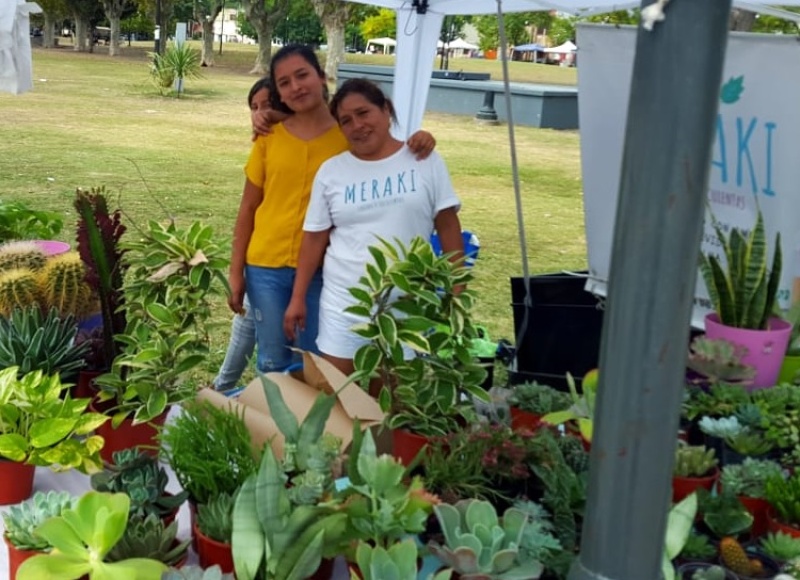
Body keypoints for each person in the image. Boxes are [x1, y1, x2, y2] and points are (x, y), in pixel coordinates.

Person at [229, 45, 435, 373]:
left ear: (321, 75)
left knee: (316, 363)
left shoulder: (350, 135)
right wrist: (235, 272)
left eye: (302, 75)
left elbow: (391, 153)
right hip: (264, 266)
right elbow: (248, 208)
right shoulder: (269, 137)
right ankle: (271, 410)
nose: (296, 87)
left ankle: (316, 411)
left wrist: (421, 138)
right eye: (284, 83)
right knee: (271, 360)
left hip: (323, 270)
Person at [283, 78, 465, 377]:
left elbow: (447, 226)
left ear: (386, 110)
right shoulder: (332, 172)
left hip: (406, 305)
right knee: (338, 394)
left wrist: (457, 291)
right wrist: (298, 297)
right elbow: (314, 239)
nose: (357, 125)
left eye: (363, 113)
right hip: (345, 304)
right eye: (346, 120)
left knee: (393, 397)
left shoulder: (423, 160)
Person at [212, 76, 272, 390]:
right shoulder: (262, 148)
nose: (259, 114)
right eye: (254, 107)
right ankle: (222, 388)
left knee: (273, 352)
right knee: (246, 322)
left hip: (292, 265)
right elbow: (247, 212)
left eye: (267, 105)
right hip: (260, 258)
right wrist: (237, 271)